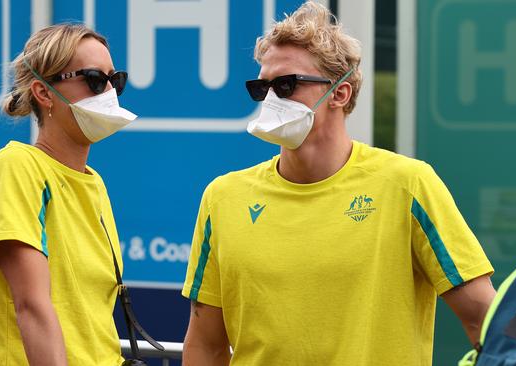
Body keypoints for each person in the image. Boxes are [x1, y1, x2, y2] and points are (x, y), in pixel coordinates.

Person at [181, 2, 496, 365]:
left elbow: (485, 321)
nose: (270, 99)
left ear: (340, 94)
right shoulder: (223, 197)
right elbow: (205, 345)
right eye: (261, 87)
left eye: (286, 85)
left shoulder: (407, 184)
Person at [0, 23, 137, 365]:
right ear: (44, 93)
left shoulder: (94, 182)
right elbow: (32, 306)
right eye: (94, 79)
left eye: (115, 80)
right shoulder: (16, 165)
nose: (109, 92)